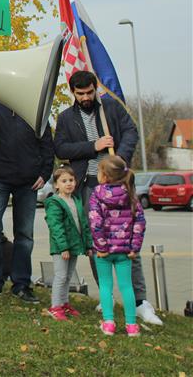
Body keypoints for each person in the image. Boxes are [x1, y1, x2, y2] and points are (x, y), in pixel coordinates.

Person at [54, 70, 162, 325]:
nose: (86, 97)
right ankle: (107, 299)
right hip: (88, 186)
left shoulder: (111, 107)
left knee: (125, 242)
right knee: (96, 245)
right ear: (73, 93)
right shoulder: (67, 118)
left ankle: (139, 301)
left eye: (90, 92)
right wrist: (94, 146)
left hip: (119, 184)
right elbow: (61, 148)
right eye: (80, 94)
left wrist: (118, 160)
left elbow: (131, 132)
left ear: (95, 88)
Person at [0, 98, 54, 303]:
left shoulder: (33, 103)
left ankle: (21, 284)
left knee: (24, 234)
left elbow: (47, 142)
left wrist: (45, 172)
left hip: (28, 181)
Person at [88, 155, 146, 337]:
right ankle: (131, 325)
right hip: (124, 251)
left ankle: (109, 324)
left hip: (104, 252)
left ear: (104, 175)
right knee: (126, 286)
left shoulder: (97, 194)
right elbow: (140, 222)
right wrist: (134, 248)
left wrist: (101, 247)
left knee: (105, 286)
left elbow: (95, 222)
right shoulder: (131, 194)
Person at [44, 166, 92, 321]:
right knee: (61, 276)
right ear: (56, 185)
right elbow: (55, 226)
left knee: (68, 276)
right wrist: (63, 247)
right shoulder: (54, 202)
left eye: (71, 180)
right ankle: (55, 307)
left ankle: (64, 303)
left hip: (74, 245)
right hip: (61, 248)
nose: (69, 183)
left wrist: (88, 245)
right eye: (64, 181)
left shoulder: (75, 200)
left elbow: (83, 223)